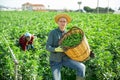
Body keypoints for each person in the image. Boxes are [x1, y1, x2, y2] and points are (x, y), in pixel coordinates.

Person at [46, 13, 85, 80]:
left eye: (64, 21)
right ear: (57, 23)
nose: (62, 23)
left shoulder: (68, 34)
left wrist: (88, 53)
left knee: (82, 67)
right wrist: (56, 49)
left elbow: (75, 46)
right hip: (55, 60)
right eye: (60, 21)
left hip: (65, 59)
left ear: (66, 23)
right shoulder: (53, 33)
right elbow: (47, 47)